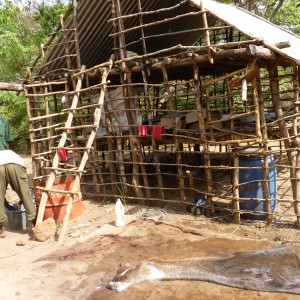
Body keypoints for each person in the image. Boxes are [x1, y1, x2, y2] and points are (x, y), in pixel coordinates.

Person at [0, 150, 36, 238]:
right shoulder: (13, 154)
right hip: (16, 165)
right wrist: (19, 203)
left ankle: (1, 229)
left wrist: (8, 206)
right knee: (24, 192)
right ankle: (33, 223)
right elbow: (25, 192)